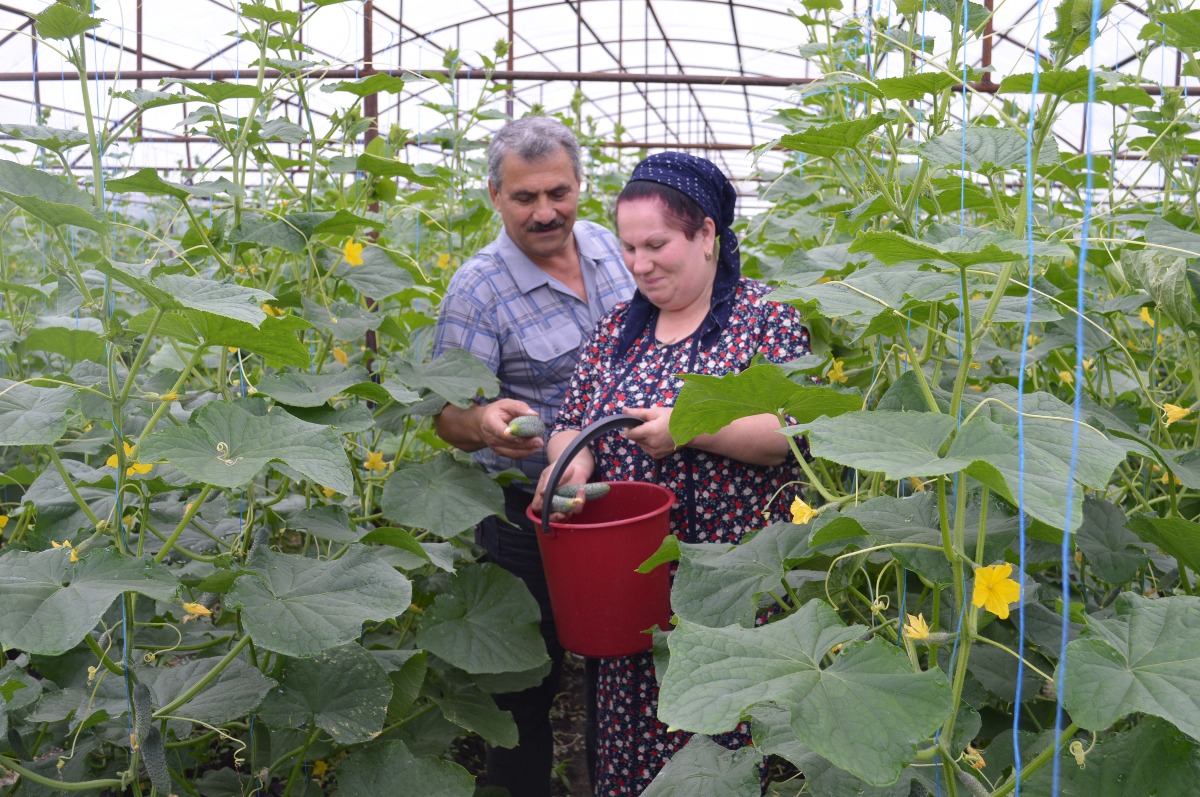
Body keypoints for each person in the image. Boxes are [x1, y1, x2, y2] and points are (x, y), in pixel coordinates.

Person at [531, 151, 811, 795]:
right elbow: (573, 423)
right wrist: (569, 466)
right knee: (638, 747)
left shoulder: (766, 318)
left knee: (726, 749)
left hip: (732, 590)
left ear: (707, 233)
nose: (639, 265)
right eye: (629, 248)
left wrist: (691, 424)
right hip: (633, 587)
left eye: (657, 245)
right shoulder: (614, 334)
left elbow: (788, 434)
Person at [431, 116, 636, 797]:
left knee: (626, 664)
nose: (545, 211)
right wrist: (483, 421)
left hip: (620, 506)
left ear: (580, 184)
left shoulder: (609, 248)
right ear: (495, 196)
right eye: (525, 198)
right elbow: (445, 414)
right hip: (529, 516)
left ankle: (611, 780)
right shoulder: (478, 289)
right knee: (527, 680)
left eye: (558, 192)